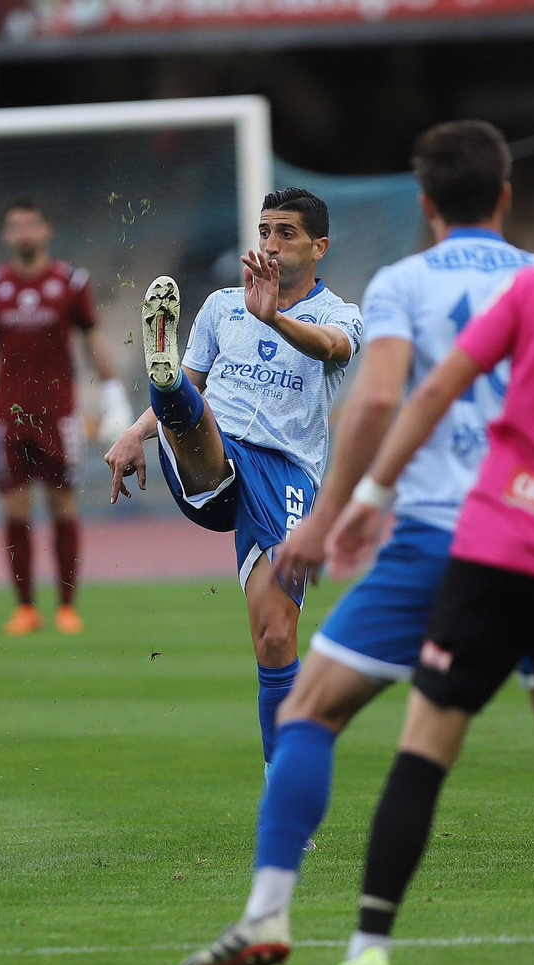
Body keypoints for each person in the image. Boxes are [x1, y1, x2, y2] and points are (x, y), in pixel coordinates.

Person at [178, 121, 534, 965]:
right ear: (508, 198)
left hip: (448, 534)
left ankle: (274, 911)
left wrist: (345, 510)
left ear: (425, 203)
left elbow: (395, 397)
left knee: (316, 708)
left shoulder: (402, 283)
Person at [104, 188, 363, 772]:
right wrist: (131, 434)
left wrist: (274, 318)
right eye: (266, 231)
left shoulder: (339, 315)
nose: (271, 244)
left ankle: (283, 785)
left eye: (287, 233)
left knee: (275, 638)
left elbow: (331, 348)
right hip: (214, 454)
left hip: (287, 473)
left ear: (319, 246)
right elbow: (201, 373)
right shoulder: (222, 306)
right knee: (183, 392)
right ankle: (165, 391)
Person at [0, 197, 132, 635]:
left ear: (46, 230)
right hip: (7, 416)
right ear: (7, 234)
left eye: (31, 224)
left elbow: (93, 340)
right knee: (15, 508)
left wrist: (112, 395)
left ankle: (67, 606)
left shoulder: (71, 281)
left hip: (59, 415)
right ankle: (26, 607)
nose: (24, 233)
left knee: (63, 505)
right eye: (15, 226)